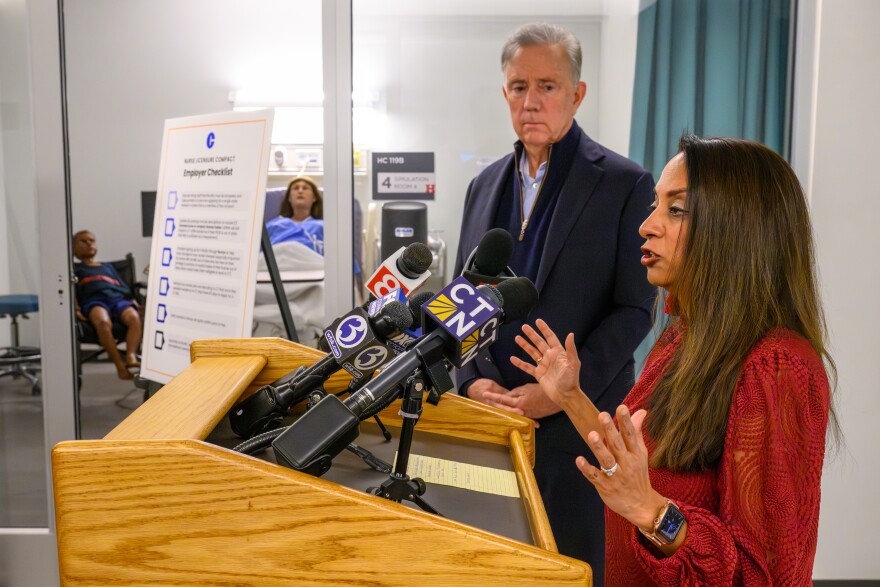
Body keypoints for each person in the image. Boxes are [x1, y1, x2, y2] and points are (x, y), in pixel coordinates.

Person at [508, 135, 838, 586]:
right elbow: (632, 466)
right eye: (654, 205)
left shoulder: (776, 367)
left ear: (737, 227)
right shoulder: (685, 337)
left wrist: (651, 511)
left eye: (675, 209)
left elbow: (765, 575)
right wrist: (571, 398)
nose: (646, 226)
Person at [453, 22, 654, 580]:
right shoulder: (482, 185)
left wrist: (558, 394)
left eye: (547, 85)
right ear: (505, 94)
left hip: (580, 430)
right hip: (489, 421)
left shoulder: (624, 183)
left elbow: (635, 310)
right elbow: (459, 302)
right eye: (519, 87)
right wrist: (471, 381)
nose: (531, 100)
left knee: (573, 567)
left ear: (577, 94)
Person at [72, 230, 143, 380]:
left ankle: (131, 357)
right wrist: (75, 308)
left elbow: (124, 286)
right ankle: (119, 366)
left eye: (91, 240)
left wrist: (132, 299)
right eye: (83, 241)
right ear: (73, 248)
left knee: (134, 318)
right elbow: (71, 291)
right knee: (103, 323)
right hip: (94, 301)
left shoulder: (108, 267)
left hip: (117, 300)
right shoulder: (75, 269)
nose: (89, 243)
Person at [267, 176, 324, 253]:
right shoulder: (273, 225)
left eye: (305, 188)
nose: (300, 191)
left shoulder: (323, 226)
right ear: (289, 198)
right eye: (296, 188)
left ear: (314, 198)